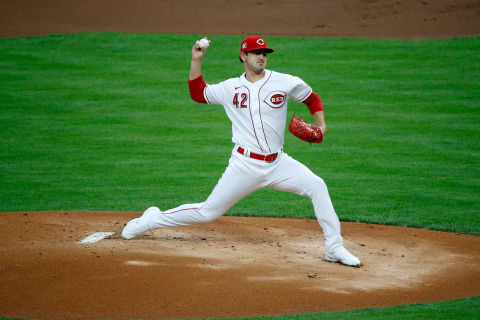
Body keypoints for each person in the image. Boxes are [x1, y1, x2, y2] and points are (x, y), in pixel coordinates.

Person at [122, 36, 361, 267]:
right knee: (207, 212)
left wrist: (322, 125)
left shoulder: (284, 81)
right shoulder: (230, 88)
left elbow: (312, 98)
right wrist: (197, 59)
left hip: (278, 164)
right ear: (243, 56)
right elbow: (198, 93)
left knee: (317, 185)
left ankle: (334, 248)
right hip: (244, 166)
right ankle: (151, 219)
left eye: (264, 53)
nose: (261, 57)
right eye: (256, 53)